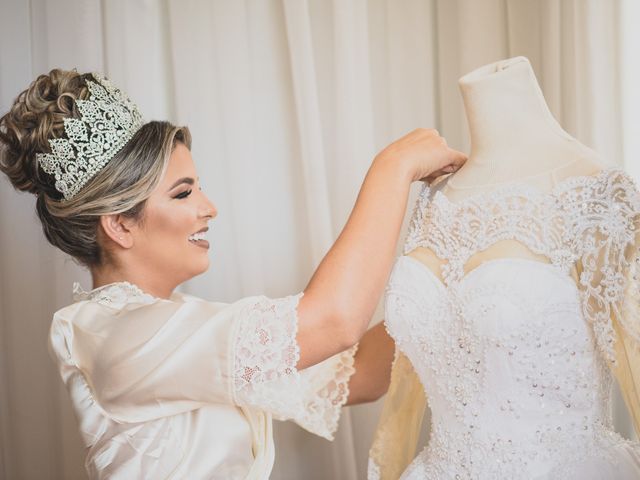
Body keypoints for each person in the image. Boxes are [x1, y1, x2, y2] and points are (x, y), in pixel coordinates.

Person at [0, 69, 467, 479]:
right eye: (184, 194)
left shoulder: (176, 329)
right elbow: (334, 320)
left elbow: (361, 374)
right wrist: (393, 166)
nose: (209, 208)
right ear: (120, 224)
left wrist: (455, 264)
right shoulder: (116, 337)